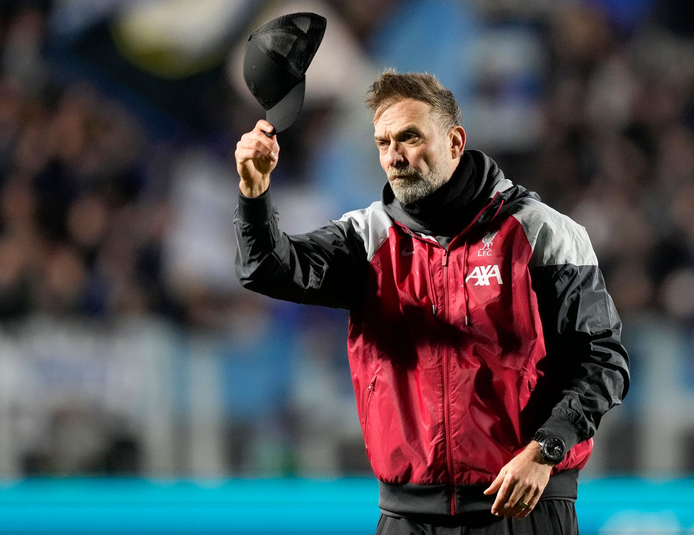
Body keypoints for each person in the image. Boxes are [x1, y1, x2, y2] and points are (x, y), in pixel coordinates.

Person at [234, 70, 630, 534]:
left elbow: (602, 359)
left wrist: (547, 449)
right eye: (383, 143)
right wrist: (253, 195)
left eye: (409, 138)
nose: (394, 157)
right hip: (408, 518)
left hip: (525, 505)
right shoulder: (367, 239)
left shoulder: (545, 232)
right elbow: (268, 268)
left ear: (455, 141)